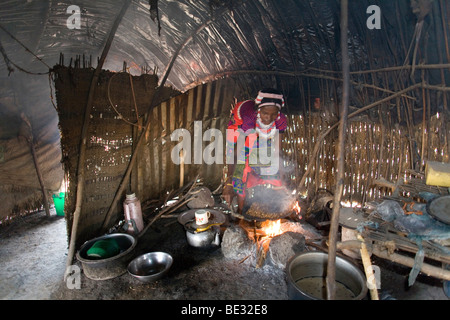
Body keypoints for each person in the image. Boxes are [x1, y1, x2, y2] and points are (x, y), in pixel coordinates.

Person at [222, 88, 288, 214]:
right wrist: (229, 181)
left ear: (278, 112)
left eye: (273, 114)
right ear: (259, 110)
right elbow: (236, 154)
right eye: (265, 113)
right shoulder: (249, 118)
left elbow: (277, 152)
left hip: (256, 130)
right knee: (240, 168)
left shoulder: (280, 120)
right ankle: (241, 211)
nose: (269, 118)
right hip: (238, 126)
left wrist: (281, 177)